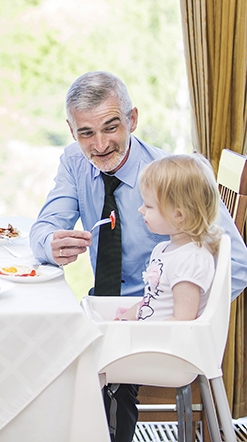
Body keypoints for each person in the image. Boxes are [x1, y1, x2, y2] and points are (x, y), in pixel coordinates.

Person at [29, 71, 247, 442]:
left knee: (88, 365)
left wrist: (184, 315)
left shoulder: (173, 180)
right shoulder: (75, 162)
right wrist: (49, 243)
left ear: (132, 119)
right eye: (86, 133)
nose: (99, 145)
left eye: (110, 127)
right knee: (42, 352)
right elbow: (44, 227)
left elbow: (237, 263)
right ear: (71, 131)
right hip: (114, 310)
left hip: (156, 324)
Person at [116, 154, 222, 322]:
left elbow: (182, 322)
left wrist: (141, 333)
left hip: (165, 344)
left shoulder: (191, 260)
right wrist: (123, 320)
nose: (141, 210)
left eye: (149, 206)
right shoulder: (163, 249)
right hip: (152, 334)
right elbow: (149, 301)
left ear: (179, 215)